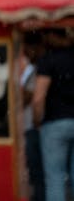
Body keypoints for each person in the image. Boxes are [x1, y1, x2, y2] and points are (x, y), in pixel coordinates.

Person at [32, 28, 74, 201]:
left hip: (54, 123)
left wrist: (37, 120)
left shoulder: (47, 60)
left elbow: (39, 96)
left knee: (55, 179)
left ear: (51, 37)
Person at [20, 32, 45, 201]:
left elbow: (31, 98)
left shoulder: (40, 69)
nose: (26, 52)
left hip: (37, 128)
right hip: (36, 126)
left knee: (40, 174)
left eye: (27, 48)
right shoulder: (33, 70)